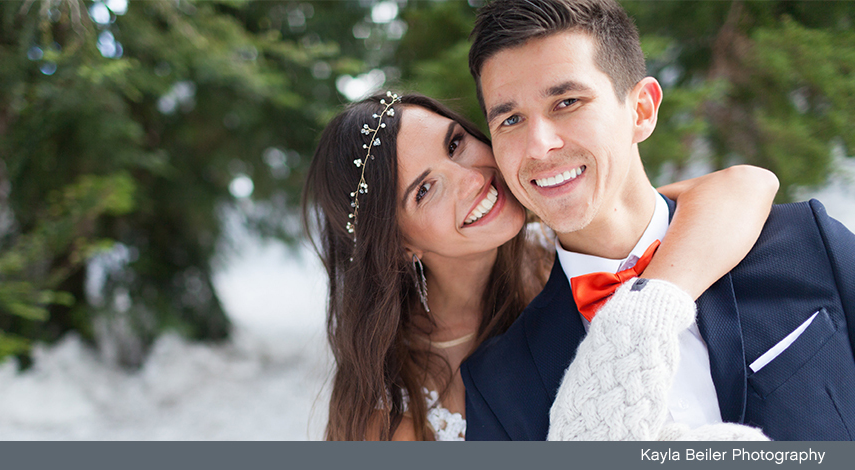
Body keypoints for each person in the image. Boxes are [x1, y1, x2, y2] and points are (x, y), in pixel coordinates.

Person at [461, 0, 855, 441]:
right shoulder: (497, 385)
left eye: (567, 102)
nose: (538, 146)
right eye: (511, 119)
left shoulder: (807, 243)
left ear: (642, 110)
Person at [303, 91, 778, 440]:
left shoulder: (567, 239)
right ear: (397, 245)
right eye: (425, 190)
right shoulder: (395, 401)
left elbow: (744, 186)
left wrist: (646, 312)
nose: (471, 179)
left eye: (455, 145)